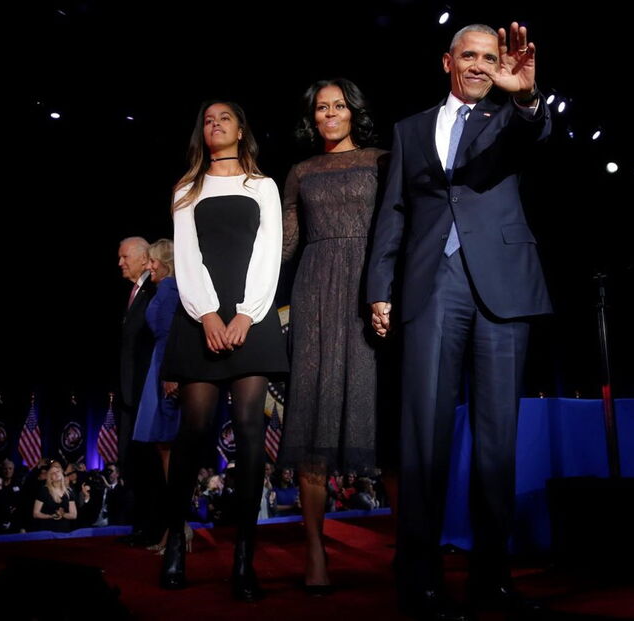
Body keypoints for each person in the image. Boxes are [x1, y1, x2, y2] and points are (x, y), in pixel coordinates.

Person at [367, 22, 551, 619]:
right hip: (431, 289)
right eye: (468, 55)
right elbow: (392, 213)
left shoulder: (510, 118)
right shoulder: (409, 129)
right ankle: (419, 582)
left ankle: (491, 580)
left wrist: (522, 95)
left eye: (489, 58)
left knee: (497, 444)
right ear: (447, 60)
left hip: (501, 288)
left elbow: (534, 132)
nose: (478, 65)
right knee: (423, 440)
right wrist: (380, 287)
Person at [160, 100, 287, 601]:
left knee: (253, 430)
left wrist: (246, 314)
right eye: (208, 120)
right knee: (192, 431)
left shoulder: (263, 186)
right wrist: (209, 313)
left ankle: (243, 559)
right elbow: (186, 257)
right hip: (200, 319)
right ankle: (175, 545)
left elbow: (269, 250)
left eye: (224, 119)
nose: (215, 125)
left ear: (241, 130)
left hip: (250, 315)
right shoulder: (186, 189)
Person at [279, 77, 386, 592]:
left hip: (374, 291)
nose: (329, 114)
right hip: (316, 291)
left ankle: (409, 548)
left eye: (339, 105)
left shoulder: (383, 160)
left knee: (384, 415)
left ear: (354, 111)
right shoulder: (300, 172)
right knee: (312, 412)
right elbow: (283, 247)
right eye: (321, 108)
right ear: (312, 117)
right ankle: (316, 553)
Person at [132, 238, 186, 551]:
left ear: (165, 262)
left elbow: (168, 336)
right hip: (163, 370)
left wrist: (169, 376)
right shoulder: (169, 287)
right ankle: (176, 529)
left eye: (153, 260)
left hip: (167, 375)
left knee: (171, 455)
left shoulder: (169, 288)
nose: (149, 266)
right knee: (167, 452)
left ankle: (176, 531)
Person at [118, 235, 162, 546]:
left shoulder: (155, 289)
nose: (120, 263)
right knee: (131, 462)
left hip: (147, 392)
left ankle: (154, 528)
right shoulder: (134, 292)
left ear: (142, 257)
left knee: (149, 463)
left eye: (124, 257)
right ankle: (139, 526)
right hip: (127, 393)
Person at [31, 460, 78, 532]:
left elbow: (74, 515)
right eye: (53, 473)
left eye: (58, 471)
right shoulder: (44, 491)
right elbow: (36, 513)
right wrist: (51, 516)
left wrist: (63, 514)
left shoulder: (69, 491)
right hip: (47, 530)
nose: (56, 474)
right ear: (50, 478)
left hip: (64, 531)